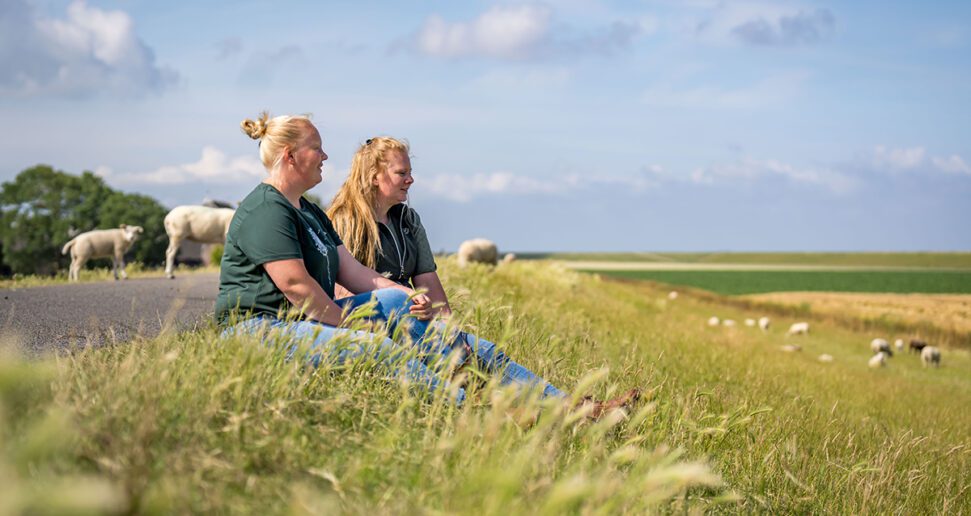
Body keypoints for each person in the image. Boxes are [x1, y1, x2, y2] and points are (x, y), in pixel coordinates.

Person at [327, 136, 639, 411]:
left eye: (410, 172)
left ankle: (576, 409)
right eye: (401, 173)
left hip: (416, 319)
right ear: (373, 176)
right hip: (376, 325)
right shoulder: (346, 221)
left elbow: (428, 282)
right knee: (462, 364)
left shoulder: (407, 219)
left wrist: (449, 330)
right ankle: (532, 413)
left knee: (486, 352)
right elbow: (343, 294)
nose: (410, 180)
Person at [216, 113, 465, 404]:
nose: (325, 155)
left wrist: (406, 294)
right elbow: (295, 285)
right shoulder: (266, 209)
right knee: (377, 347)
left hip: (299, 323)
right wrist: (348, 324)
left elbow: (356, 273)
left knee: (397, 304)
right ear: (290, 155)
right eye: (317, 148)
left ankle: (460, 373)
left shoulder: (310, 211)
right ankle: (458, 406)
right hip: (260, 328)